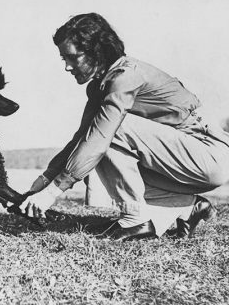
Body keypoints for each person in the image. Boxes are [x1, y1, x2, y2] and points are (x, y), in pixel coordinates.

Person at [19, 13, 229, 241]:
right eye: (63, 59)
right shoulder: (101, 85)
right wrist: (45, 180)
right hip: (185, 160)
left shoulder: (125, 76)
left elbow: (100, 135)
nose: (68, 67)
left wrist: (53, 192)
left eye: (72, 57)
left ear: (96, 51)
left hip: (209, 157)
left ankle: (136, 220)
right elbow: (82, 138)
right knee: (90, 152)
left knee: (106, 133)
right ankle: (188, 207)